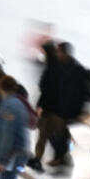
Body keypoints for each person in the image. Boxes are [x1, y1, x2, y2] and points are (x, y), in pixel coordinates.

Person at [0, 76, 55, 179]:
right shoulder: (17, 103)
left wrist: (3, 160)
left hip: (14, 153)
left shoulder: (9, 106)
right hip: (19, 151)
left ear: (2, 88)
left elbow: (8, 134)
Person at [29, 40, 67, 171]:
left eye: (43, 51)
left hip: (49, 109)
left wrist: (41, 107)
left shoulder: (51, 68)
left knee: (46, 134)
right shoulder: (56, 66)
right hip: (53, 107)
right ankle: (40, 159)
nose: (42, 53)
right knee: (46, 134)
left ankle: (58, 157)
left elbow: (48, 91)